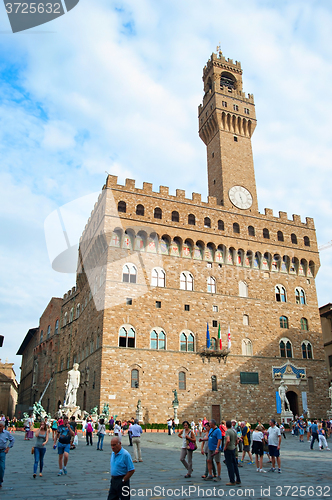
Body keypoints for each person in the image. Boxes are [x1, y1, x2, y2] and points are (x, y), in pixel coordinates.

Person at [224, 420, 241, 486]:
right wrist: (234, 445)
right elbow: (237, 441)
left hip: (229, 449)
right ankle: (238, 479)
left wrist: (225, 447)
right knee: (235, 464)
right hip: (233, 449)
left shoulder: (228, 431)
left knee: (229, 465)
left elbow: (228, 440)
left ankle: (232, 480)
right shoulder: (234, 431)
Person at [0, 420, 14, 488]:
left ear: (3, 427)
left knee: (2, 467)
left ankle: (0, 480)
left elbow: (12, 439)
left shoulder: (6, 433)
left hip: (2, 452)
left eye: (0, 426)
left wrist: (8, 447)